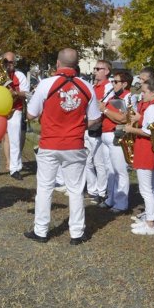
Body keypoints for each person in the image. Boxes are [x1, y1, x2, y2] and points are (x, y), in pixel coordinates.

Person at [23, 48, 101, 245]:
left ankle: (41, 231)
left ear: (58, 63)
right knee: (75, 190)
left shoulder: (46, 84)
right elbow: (95, 119)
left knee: (45, 187)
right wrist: (76, 126)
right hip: (74, 144)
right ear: (75, 65)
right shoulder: (86, 86)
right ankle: (76, 233)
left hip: (50, 142)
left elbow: (31, 114)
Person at [126, 79, 154, 235]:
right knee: (151, 187)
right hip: (148, 150)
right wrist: (139, 119)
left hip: (145, 150)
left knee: (146, 189)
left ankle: (150, 224)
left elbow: (148, 132)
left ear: (153, 92)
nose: (142, 94)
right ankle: (149, 218)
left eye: (145, 91)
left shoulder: (152, 108)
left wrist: (130, 129)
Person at [98, 70, 136, 213]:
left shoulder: (129, 97)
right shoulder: (113, 96)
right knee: (110, 170)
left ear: (124, 84)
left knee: (120, 170)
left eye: (116, 82)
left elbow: (123, 119)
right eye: (113, 81)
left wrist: (105, 110)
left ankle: (121, 203)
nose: (112, 84)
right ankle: (110, 199)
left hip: (117, 135)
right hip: (106, 135)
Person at [0, 52, 29, 180]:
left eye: (11, 62)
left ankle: (14, 168)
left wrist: (15, 92)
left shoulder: (19, 75)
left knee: (15, 138)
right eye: (6, 62)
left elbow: (26, 93)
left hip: (14, 109)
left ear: (14, 63)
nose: (8, 65)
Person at [85, 59, 113, 204]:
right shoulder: (93, 86)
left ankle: (102, 192)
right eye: (95, 68)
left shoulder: (109, 87)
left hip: (98, 128)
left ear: (107, 71)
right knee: (87, 161)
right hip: (88, 126)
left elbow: (103, 106)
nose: (95, 71)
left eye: (98, 68)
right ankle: (92, 189)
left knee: (99, 163)